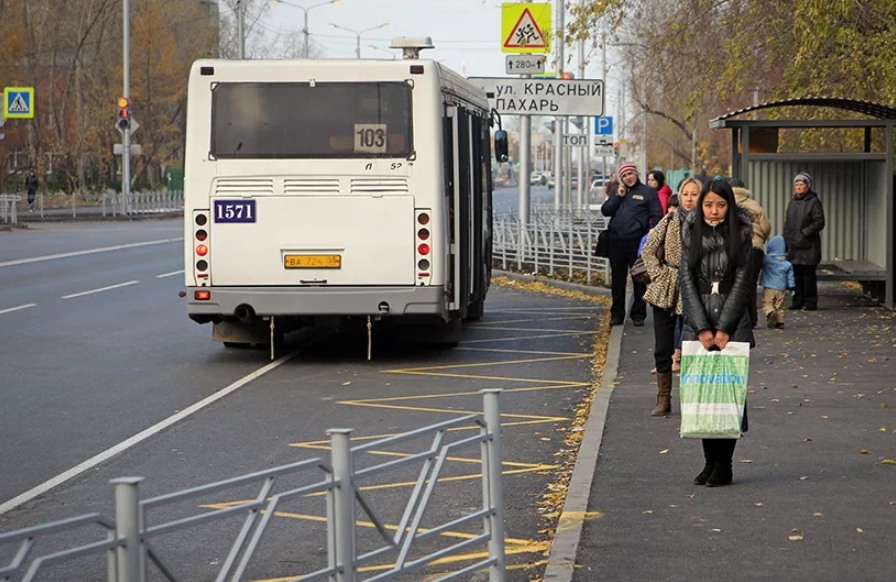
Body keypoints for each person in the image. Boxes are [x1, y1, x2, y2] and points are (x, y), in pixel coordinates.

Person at [679, 178, 755, 487]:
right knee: (702, 393)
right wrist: (701, 327)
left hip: (732, 323)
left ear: (730, 205)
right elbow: (685, 279)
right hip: (698, 323)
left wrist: (725, 327)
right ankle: (709, 461)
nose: (713, 211)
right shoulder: (689, 231)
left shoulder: (743, 232)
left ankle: (725, 464)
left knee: (728, 394)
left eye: (720, 205)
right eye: (708, 204)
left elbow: (743, 281)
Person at [642, 179, 701, 416]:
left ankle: (694, 400)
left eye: (694, 194)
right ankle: (663, 399)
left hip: (695, 288)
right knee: (663, 345)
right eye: (685, 193)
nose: (688, 198)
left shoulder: (707, 224)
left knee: (695, 344)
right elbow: (648, 249)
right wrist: (658, 274)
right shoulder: (669, 220)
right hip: (666, 287)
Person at [600, 163, 663, 327]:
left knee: (639, 279)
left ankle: (638, 314)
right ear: (622, 178)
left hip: (637, 242)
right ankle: (617, 314)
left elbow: (657, 215)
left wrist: (650, 232)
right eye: (625, 175)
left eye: (631, 174)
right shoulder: (617, 192)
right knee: (618, 281)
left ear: (636, 174)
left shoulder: (648, 192)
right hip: (616, 241)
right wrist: (618, 196)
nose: (629, 177)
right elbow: (605, 210)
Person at [729, 178, 772, 327]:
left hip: (736, 248)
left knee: (736, 283)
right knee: (751, 284)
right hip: (755, 248)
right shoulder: (754, 205)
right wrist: (760, 239)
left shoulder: (726, 204)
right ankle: (752, 319)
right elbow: (766, 226)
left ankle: (741, 318)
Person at [783, 172, 825, 310]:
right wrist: (786, 240)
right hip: (794, 246)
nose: (799, 187)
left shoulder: (814, 202)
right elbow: (788, 223)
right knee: (795, 275)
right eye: (797, 184)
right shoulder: (793, 201)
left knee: (808, 275)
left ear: (808, 186)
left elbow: (819, 222)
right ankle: (797, 301)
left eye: (801, 184)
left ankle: (810, 302)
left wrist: (805, 233)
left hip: (809, 247)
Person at [760, 235, 796, 329]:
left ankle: (770, 313)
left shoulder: (767, 260)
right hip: (781, 288)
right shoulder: (787, 264)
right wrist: (792, 287)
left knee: (767, 303)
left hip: (769, 287)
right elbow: (790, 277)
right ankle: (780, 322)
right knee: (779, 306)